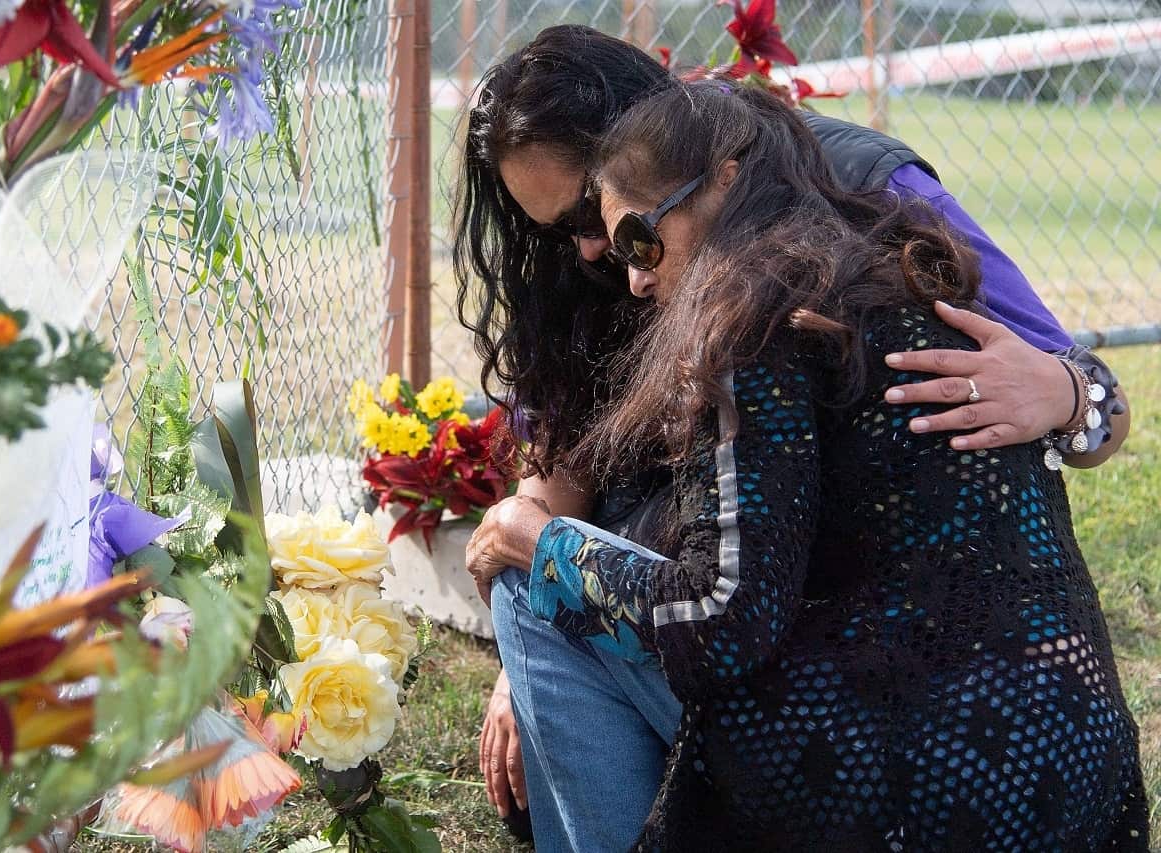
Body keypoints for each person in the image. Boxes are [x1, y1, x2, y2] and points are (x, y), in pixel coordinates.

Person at [452, 25, 1132, 850]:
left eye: (611, 219)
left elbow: (724, 616)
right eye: (561, 232)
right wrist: (531, 645)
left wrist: (1071, 389)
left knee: (542, 573)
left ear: (700, 159)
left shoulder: (782, 270)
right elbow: (557, 475)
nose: (600, 252)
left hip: (866, 706)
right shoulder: (759, 239)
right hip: (1063, 741)